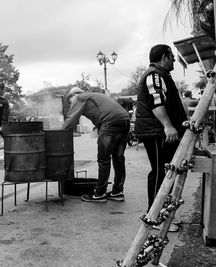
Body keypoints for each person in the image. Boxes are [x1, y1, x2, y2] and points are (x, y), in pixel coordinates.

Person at [135, 44, 187, 232]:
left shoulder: (159, 74)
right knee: (159, 172)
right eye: (171, 56)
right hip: (156, 132)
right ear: (164, 56)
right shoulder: (154, 75)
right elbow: (156, 101)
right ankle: (154, 216)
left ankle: (161, 214)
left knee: (164, 172)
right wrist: (168, 125)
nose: (174, 59)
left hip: (159, 131)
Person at [62, 91, 130, 203]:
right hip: (124, 120)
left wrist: (59, 132)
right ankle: (117, 192)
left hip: (110, 122)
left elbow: (71, 120)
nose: (72, 104)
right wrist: (98, 126)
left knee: (104, 159)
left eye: (71, 101)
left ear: (73, 95)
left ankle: (99, 193)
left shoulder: (79, 98)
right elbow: (100, 113)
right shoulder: (95, 96)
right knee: (118, 159)